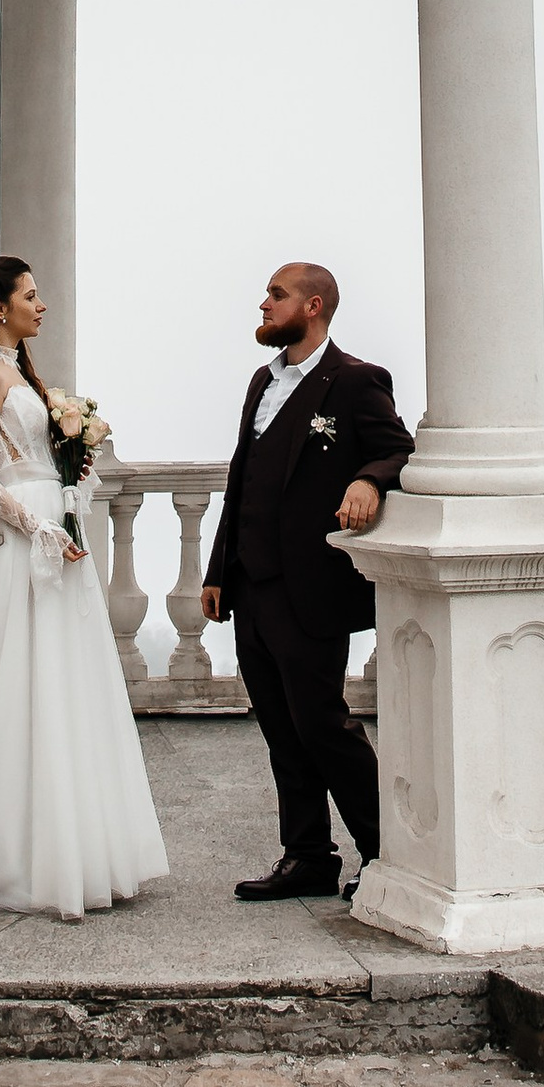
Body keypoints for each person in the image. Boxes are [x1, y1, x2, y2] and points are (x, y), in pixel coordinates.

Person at [0, 254, 169, 920]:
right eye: (33, 294)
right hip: (18, 547)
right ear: (1, 305)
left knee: (66, 690)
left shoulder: (23, 376)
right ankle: (14, 852)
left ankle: (77, 846)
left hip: (56, 539)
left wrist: (67, 493)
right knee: (17, 691)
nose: (43, 303)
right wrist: (32, 523)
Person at [201, 261, 410, 901]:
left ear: (313, 306)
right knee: (278, 727)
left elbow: (400, 448)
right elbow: (242, 481)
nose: (263, 303)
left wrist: (368, 478)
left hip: (311, 586)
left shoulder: (353, 381)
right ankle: (309, 857)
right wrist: (217, 571)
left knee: (323, 724)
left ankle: (386, 856)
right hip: (251, 583)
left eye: (277, 294)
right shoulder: (261, 383)